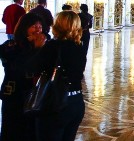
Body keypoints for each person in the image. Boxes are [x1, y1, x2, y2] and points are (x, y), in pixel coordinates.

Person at [30, 11, 86, 141]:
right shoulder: (79, 47)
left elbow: (33, 67)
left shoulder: (52, 46)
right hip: (76, 102)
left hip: (56, 102)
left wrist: (38, 48)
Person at [0, 13, 46, 141]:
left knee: (32, 130)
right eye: (33, 26)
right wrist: (36, 50)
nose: (37, 30)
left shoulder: (42, 45)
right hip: (15, 94)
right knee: (14, 130)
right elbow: (18, 67)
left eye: (40, 26)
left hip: (35, 95)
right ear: (24, 27)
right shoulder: (10, 45)